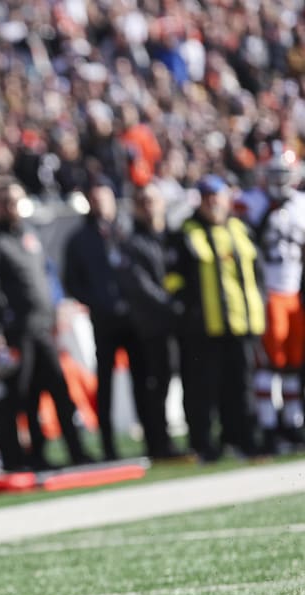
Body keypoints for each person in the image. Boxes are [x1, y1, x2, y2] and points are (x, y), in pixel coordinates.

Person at [0, 179, 94, 470]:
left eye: (16, 200)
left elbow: (48, 275)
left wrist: (57, 307)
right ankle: (28, 456)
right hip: (17, 331)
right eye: (6, 201)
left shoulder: (29, 234)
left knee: (59, 389)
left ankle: (75, 450)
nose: (12, 207)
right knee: (22, 397)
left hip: (44, 327)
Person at [165, 175, 265, 462]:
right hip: (203, 328)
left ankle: (243, 441)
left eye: (217, 196)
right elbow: (173, 278)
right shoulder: (185, 232)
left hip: (241, 323)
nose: (213, 203)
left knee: (241, 386)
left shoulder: (241, 228)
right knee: (203, 390)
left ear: (226, 198)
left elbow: (257, 275)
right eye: (207, 197)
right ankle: (204, 446)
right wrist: (186, 312)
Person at [63, 177, 134, 461]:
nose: (99, 204)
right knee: (104, 382)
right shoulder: (80, 239)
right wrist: (97, 302)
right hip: (104, 320)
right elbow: (72, 281)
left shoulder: (126, 229)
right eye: (94, 199)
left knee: (145, 379)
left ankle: (156, 438)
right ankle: (108, 444)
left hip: (134, 318)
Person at [249, 154, 305, 452]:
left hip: (295, 294)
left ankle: (293, 423)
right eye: (275, 173)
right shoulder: (255, 202)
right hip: (268, 293)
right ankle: (269, 426)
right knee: (271, 364)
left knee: (293, 363)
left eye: (284, 173)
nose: (279, 180)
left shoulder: (301, 204)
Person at [118, 186, 179, 459]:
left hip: (178, 323)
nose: (149, 206)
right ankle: (158, 443)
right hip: (152, 326)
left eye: (152, 200)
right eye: (143, 202)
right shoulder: (133, 243)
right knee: (155, 384)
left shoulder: (173, 237)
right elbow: (140, 285)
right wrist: (170, 305)